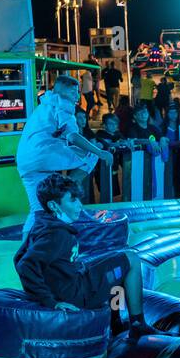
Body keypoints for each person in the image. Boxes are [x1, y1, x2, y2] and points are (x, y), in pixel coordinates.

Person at [14, 173, 158, 339]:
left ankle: (115, 322)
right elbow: (26, 265)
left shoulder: (41, 224)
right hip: (76, 295)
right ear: (54, 205)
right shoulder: (56, 235)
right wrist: (50, 302)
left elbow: (19, 257)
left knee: (111, 262)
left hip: (70, 283)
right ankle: (137, 324)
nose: (80, 206)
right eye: (73, 200)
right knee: (131, 259)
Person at [16, 74, 113, 235]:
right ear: (63, 91)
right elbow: (73, 136)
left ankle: (24, 249)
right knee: (91, 154)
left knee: (38, 209)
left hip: (25, 161)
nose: (77, 95)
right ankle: (66, 188)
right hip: (43, 156)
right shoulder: (63, 105)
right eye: (74, 91)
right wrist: (100, 152)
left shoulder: (44, 104)